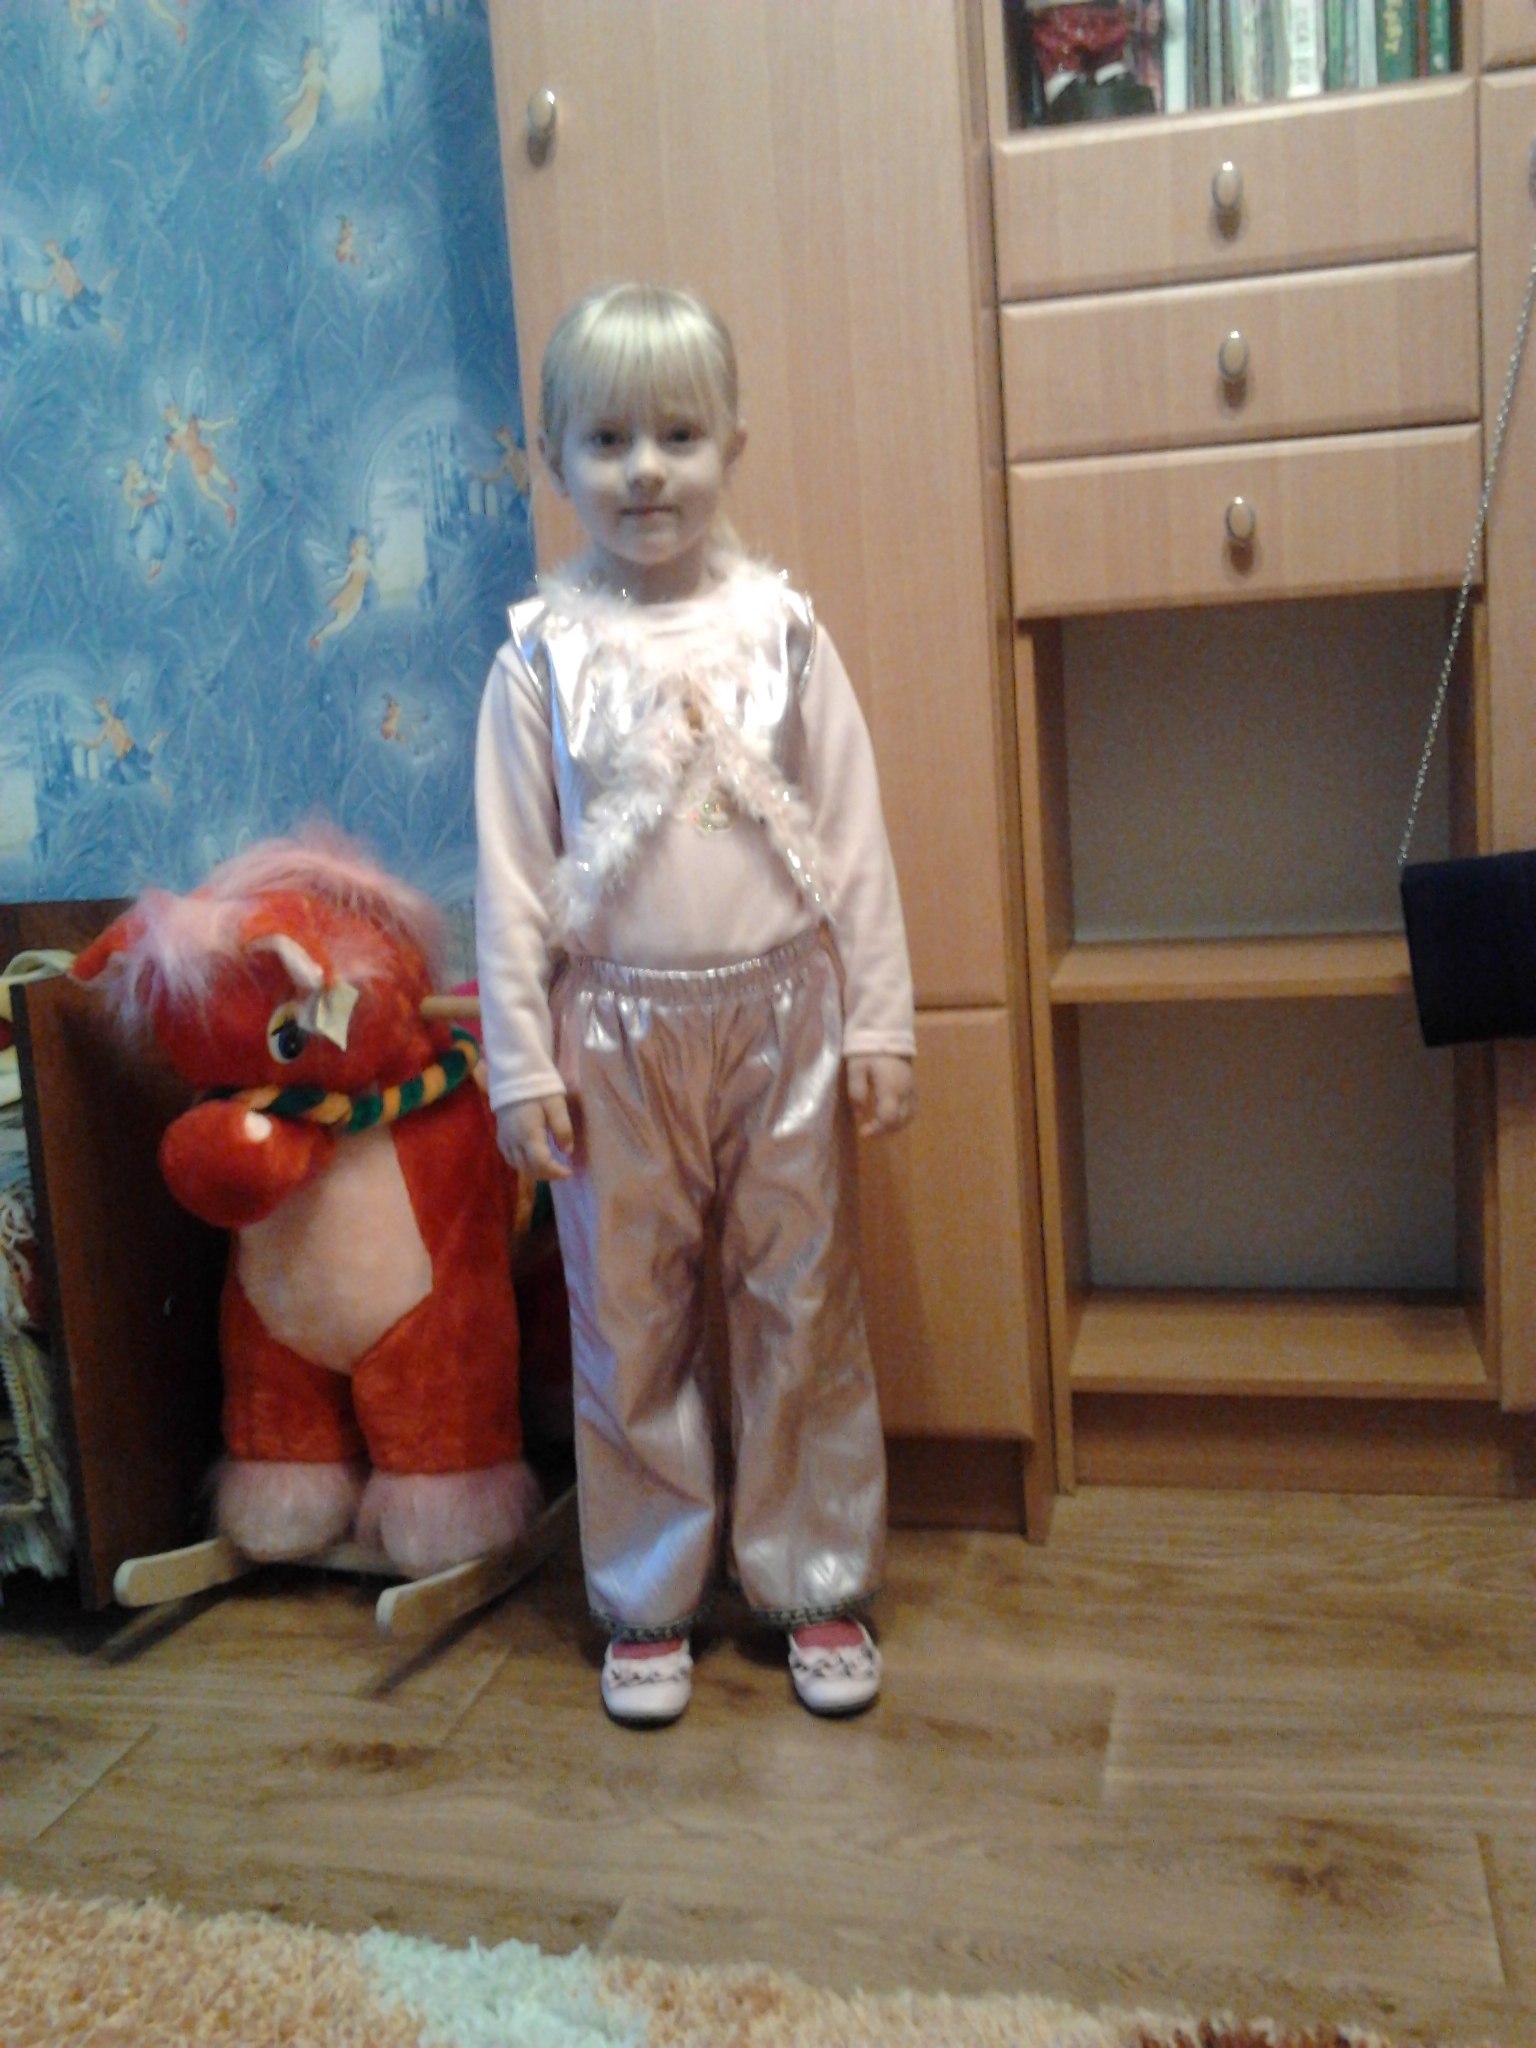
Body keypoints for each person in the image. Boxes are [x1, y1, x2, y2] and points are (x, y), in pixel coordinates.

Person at [474, 282, 915, 1726]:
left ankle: (814, 1572)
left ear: (732, 442)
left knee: (804, 1297)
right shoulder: (537, 656)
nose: (645, 471)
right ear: (556, 458)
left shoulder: (783, 634)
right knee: (627, 1316)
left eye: (676, 435)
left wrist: (878, 1023)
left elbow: (853, 838)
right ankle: (649, 1590)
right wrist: (521, 1065)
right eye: (606, 441)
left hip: (786, 1021)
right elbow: (513, 876)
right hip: (613, 1037)